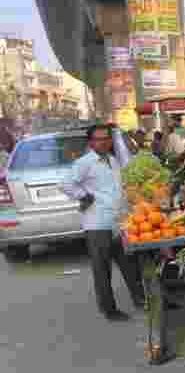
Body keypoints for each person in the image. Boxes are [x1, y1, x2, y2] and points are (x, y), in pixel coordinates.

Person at [61, 124, 145, 322]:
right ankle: (109, 309)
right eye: (99, 139)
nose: (104, 142)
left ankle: (140, 299)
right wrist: (84, 196)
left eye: (106, 138)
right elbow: (66, 184)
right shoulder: (85, 163)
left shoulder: (113, 160)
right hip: (97, 224)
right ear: (91, 143)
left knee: (130, 265)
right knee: (102, 270)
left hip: (119, 222)